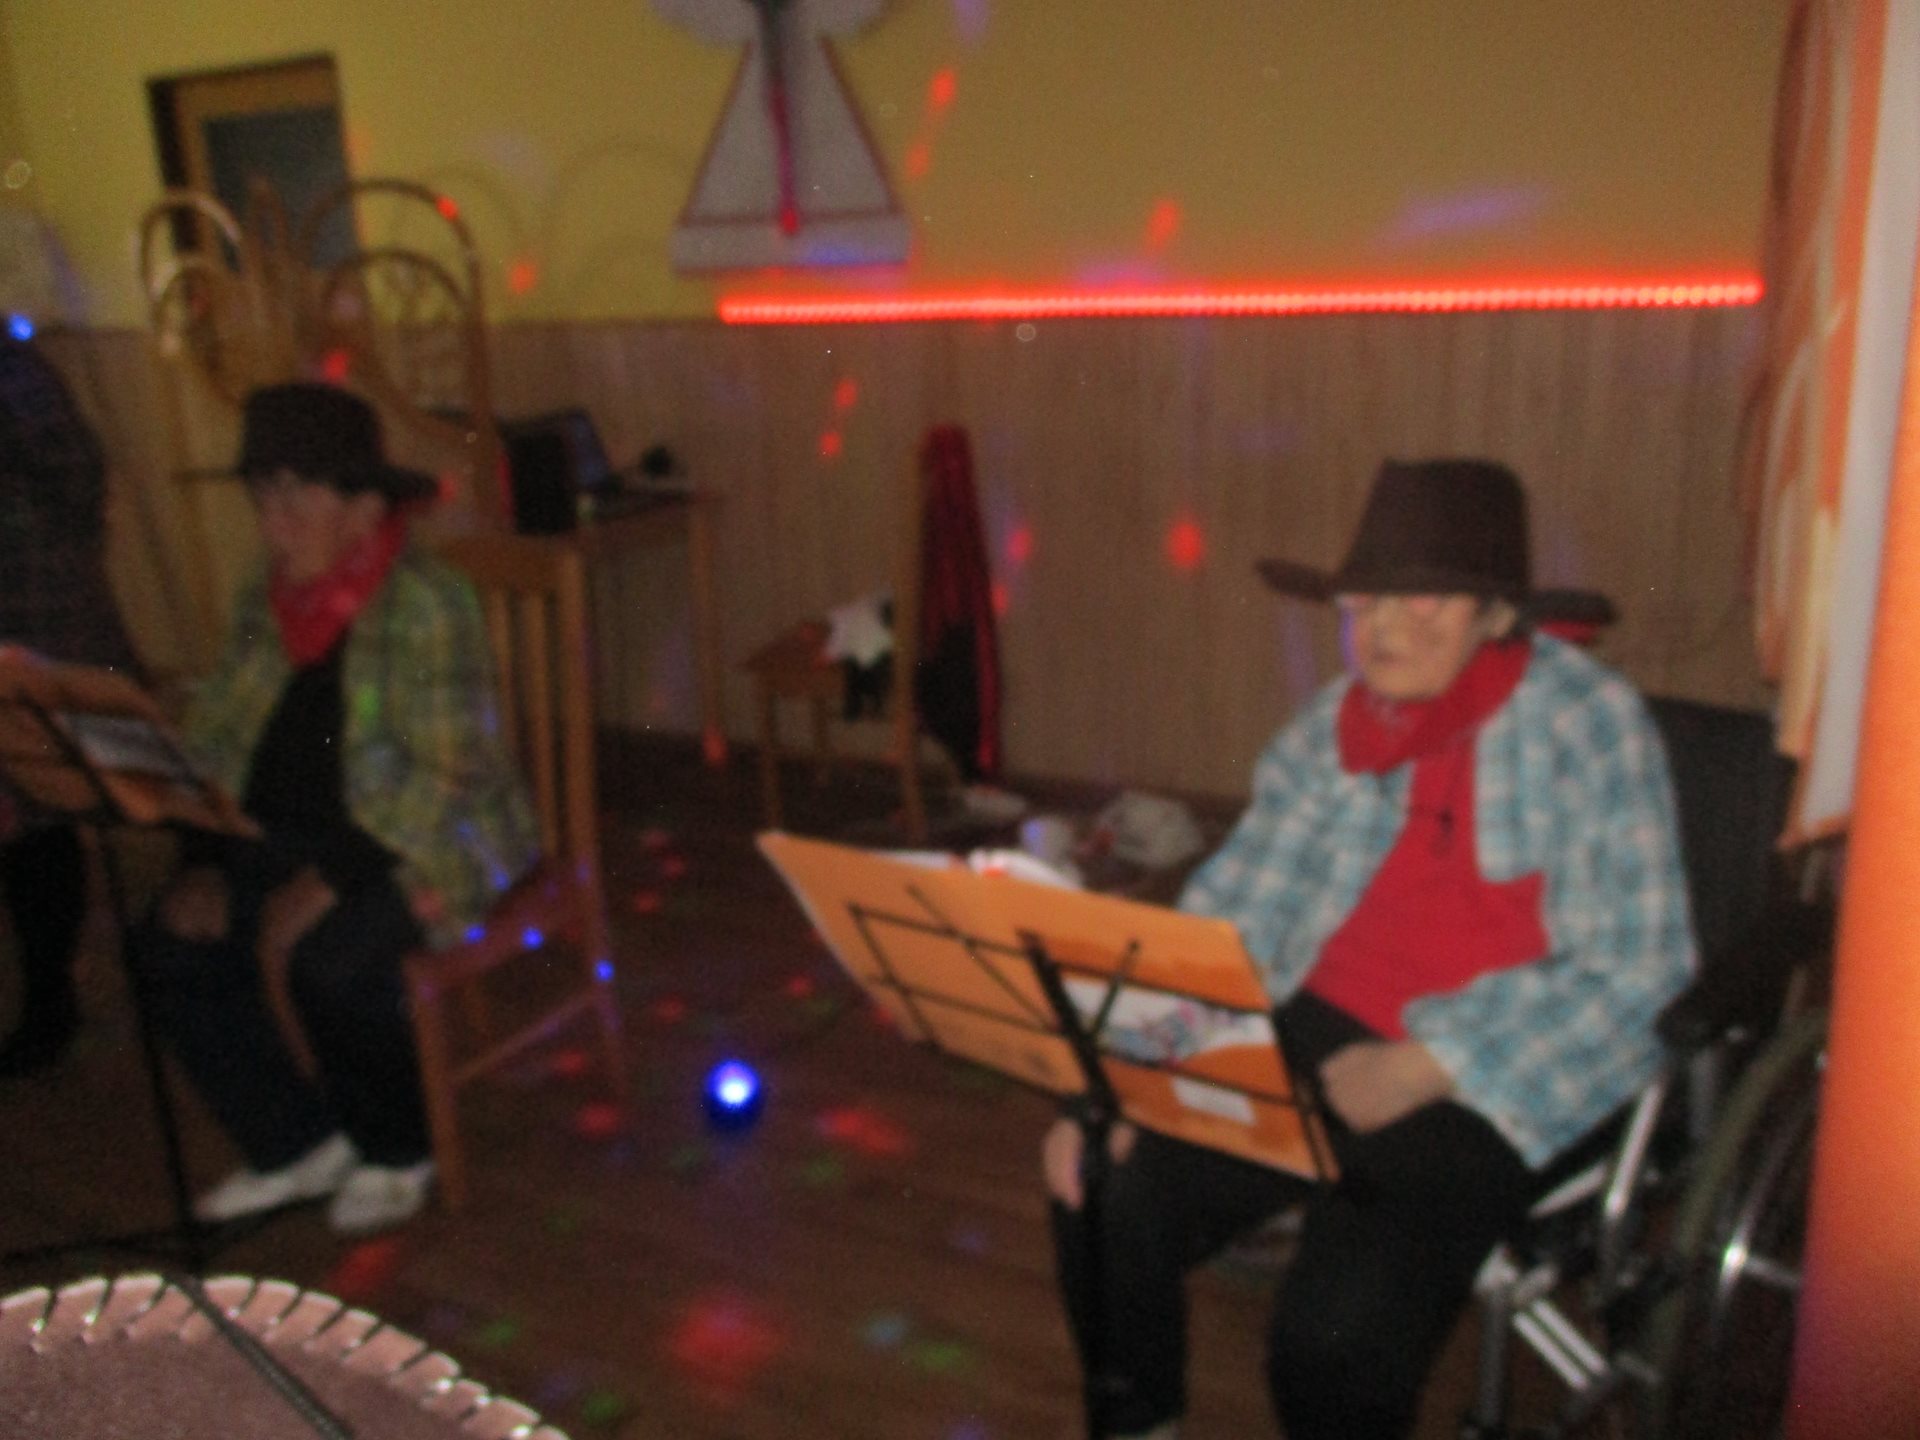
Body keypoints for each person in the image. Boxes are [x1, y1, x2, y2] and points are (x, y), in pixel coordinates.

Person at [1042, 459, 1694, 1440]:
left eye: (1421, 600)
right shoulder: (1332, 727)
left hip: (1498, 1060)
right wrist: (1114, 1081)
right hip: (1316, 1016)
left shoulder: (1588, 724)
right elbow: (1233, 917)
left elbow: (1646, 967)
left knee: (1331, 1340)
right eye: (1365, 601)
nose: (1381, 628)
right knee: (1100, 1186)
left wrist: (1435, 1064)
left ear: (1496, 614)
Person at [133, 382, 539, 1235]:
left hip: (427, 838)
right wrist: (201, 857)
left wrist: (331, 878)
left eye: (295, 496)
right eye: (262, 496)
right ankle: (297, 1143)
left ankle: (398, 1148)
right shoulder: (264, 596)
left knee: (335, 960)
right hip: (281, 833)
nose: (272, 522)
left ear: (364, 506)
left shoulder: (425, 601)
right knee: (169, 940)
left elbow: (449, 776)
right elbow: (218, 735)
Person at [0, 333, 146, 1077]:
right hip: (31, 614)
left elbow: (78, 477)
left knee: (49, 810)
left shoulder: (15, 374)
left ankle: (53, 1003)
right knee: (28, 816)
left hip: (42, 614)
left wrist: (53, 555)